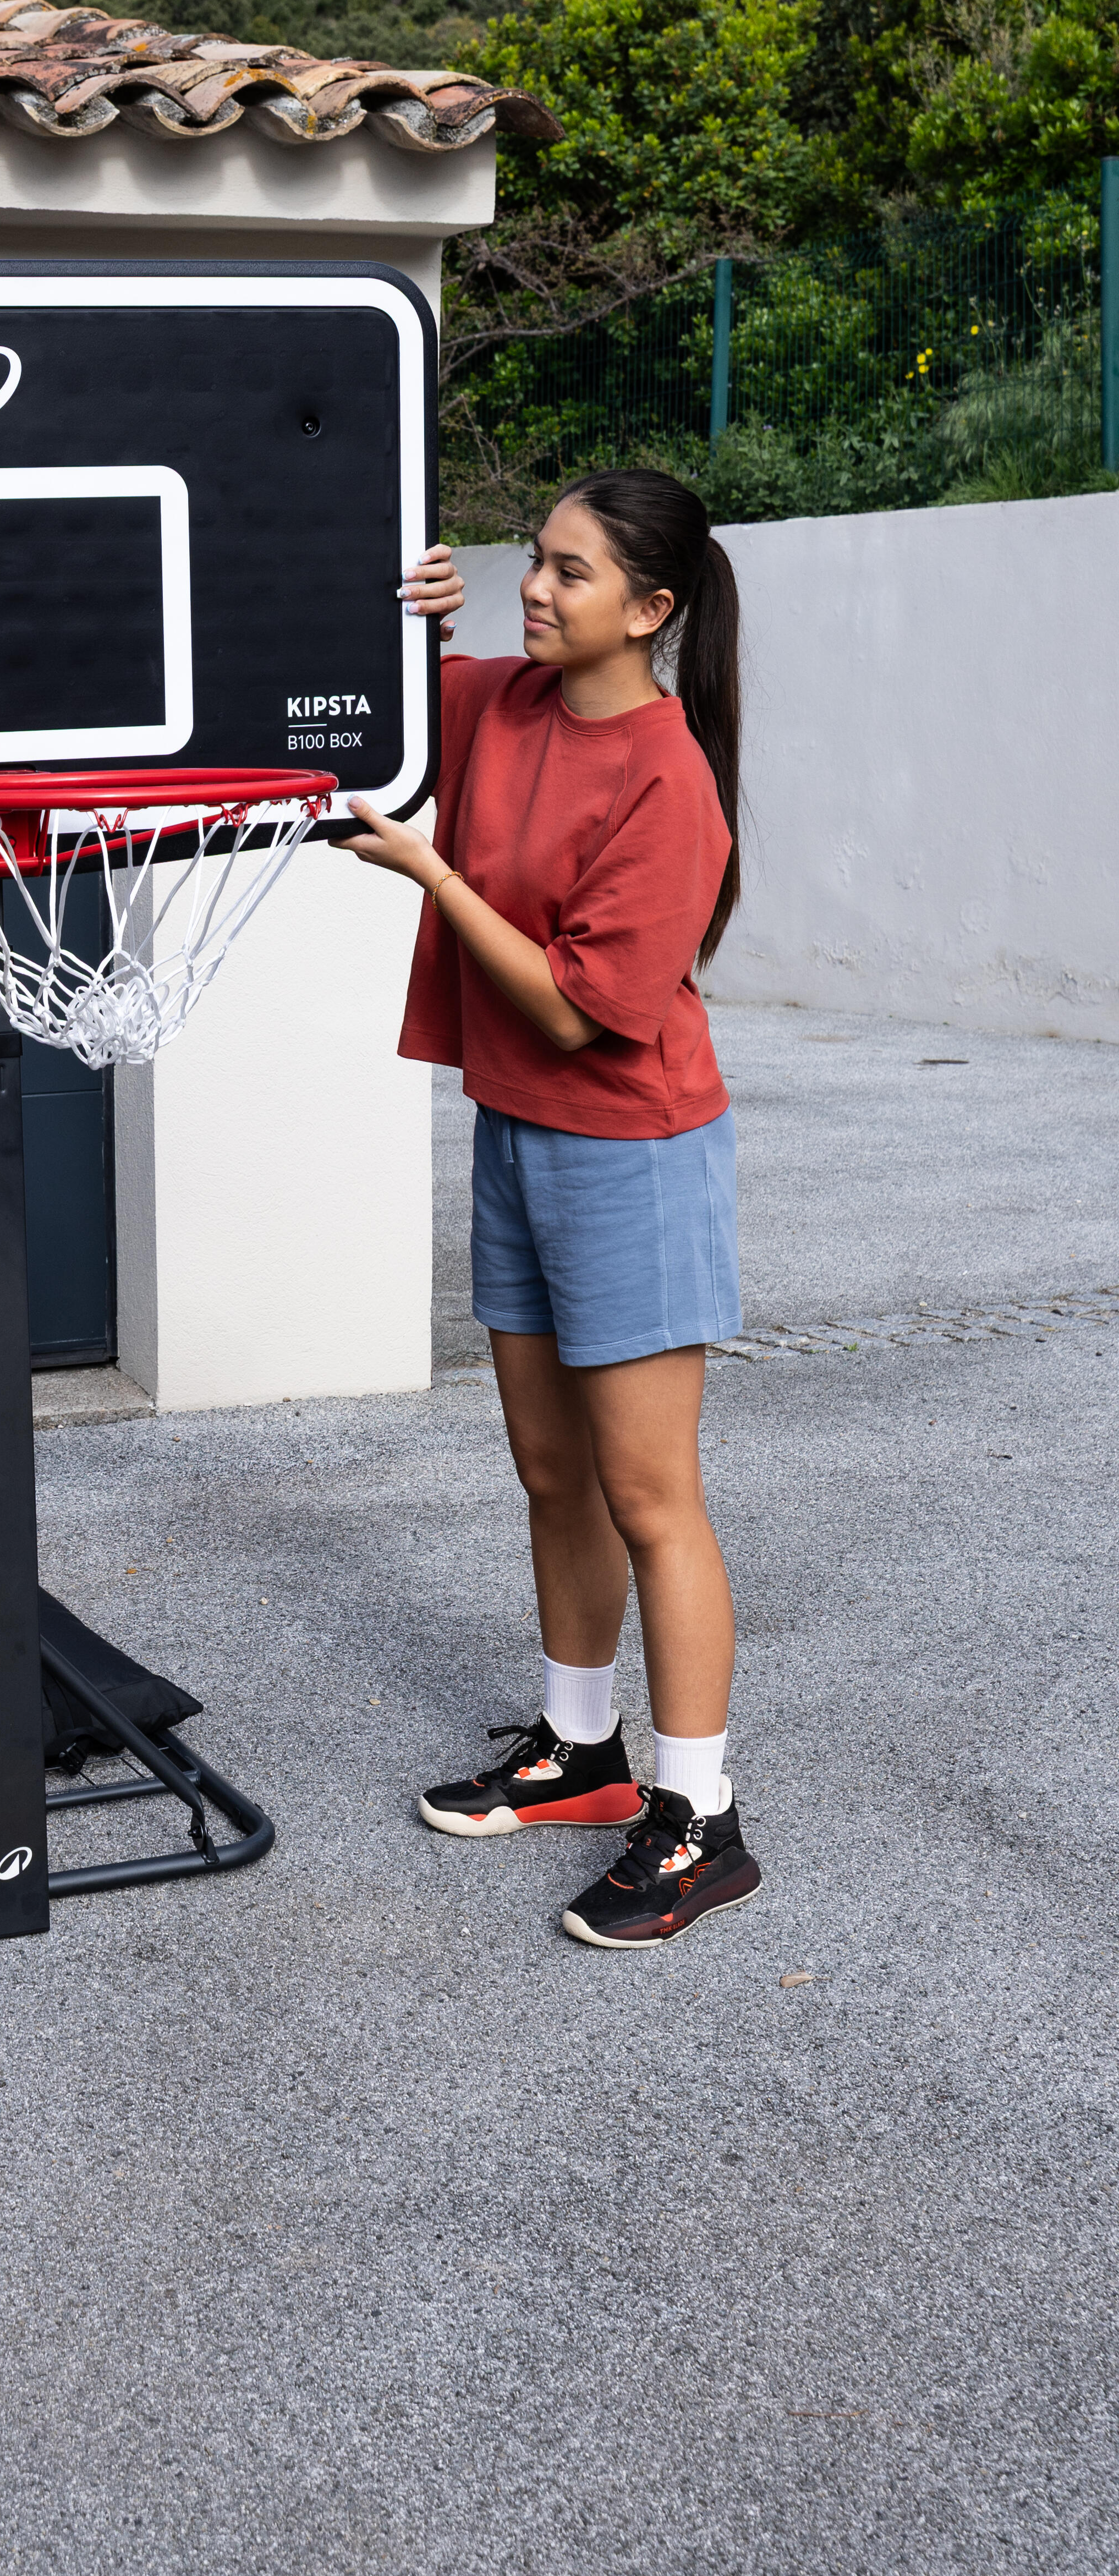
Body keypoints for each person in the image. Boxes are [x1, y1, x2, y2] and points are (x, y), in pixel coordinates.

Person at [355, 478, 761, 1947]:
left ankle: (700, 1816)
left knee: (652, 1497)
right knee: (549, 1470)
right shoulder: (503, 706)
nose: (534, 585)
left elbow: (589, 1012)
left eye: (568, 572)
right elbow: (371, 704)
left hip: (631, 1149)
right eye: (531, 559)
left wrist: (430, 872)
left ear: (648, 611)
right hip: (518, 1132)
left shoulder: (667, 779)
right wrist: (408, 608)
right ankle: (581, 1753)